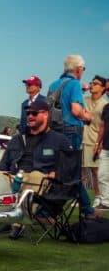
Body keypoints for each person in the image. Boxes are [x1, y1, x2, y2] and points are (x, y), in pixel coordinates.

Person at [0, 99, 74, 238]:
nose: (30, 116)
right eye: (28, 113)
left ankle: (17, 224)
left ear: (45, 115)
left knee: (35, 175)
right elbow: (3, 165)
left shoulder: (59, 140)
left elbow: (71, 165)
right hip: (16, 176)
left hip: (42, 180)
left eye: (34, 113)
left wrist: (57, 173)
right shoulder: (17, 139)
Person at [47, 54, 96, 218]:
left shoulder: (54, 84)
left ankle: (48, 209)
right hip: (71, 130)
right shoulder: (74, 83)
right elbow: (76, 110)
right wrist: (88, 116)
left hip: (54, 130)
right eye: (83, 68)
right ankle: (87, 209)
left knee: (58, 170)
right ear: (78, 69)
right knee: (72, 172)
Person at [83, 75, 107, 200]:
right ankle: (81, 197)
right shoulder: (84, 100)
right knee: (81, 172)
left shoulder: (105, 104)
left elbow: (105, 127)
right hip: (81, 139)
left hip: (95, 142)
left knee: (96, 171)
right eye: (92, 83)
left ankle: (99, 197)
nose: (92, 85)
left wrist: (100, 143)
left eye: (96, 83)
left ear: (103, 88)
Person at [96, 95, 109, 209]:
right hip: (106, 147)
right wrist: (97, 143)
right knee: (102, 175)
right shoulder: (106, 107)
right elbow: (102, 127)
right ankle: (105, 202)